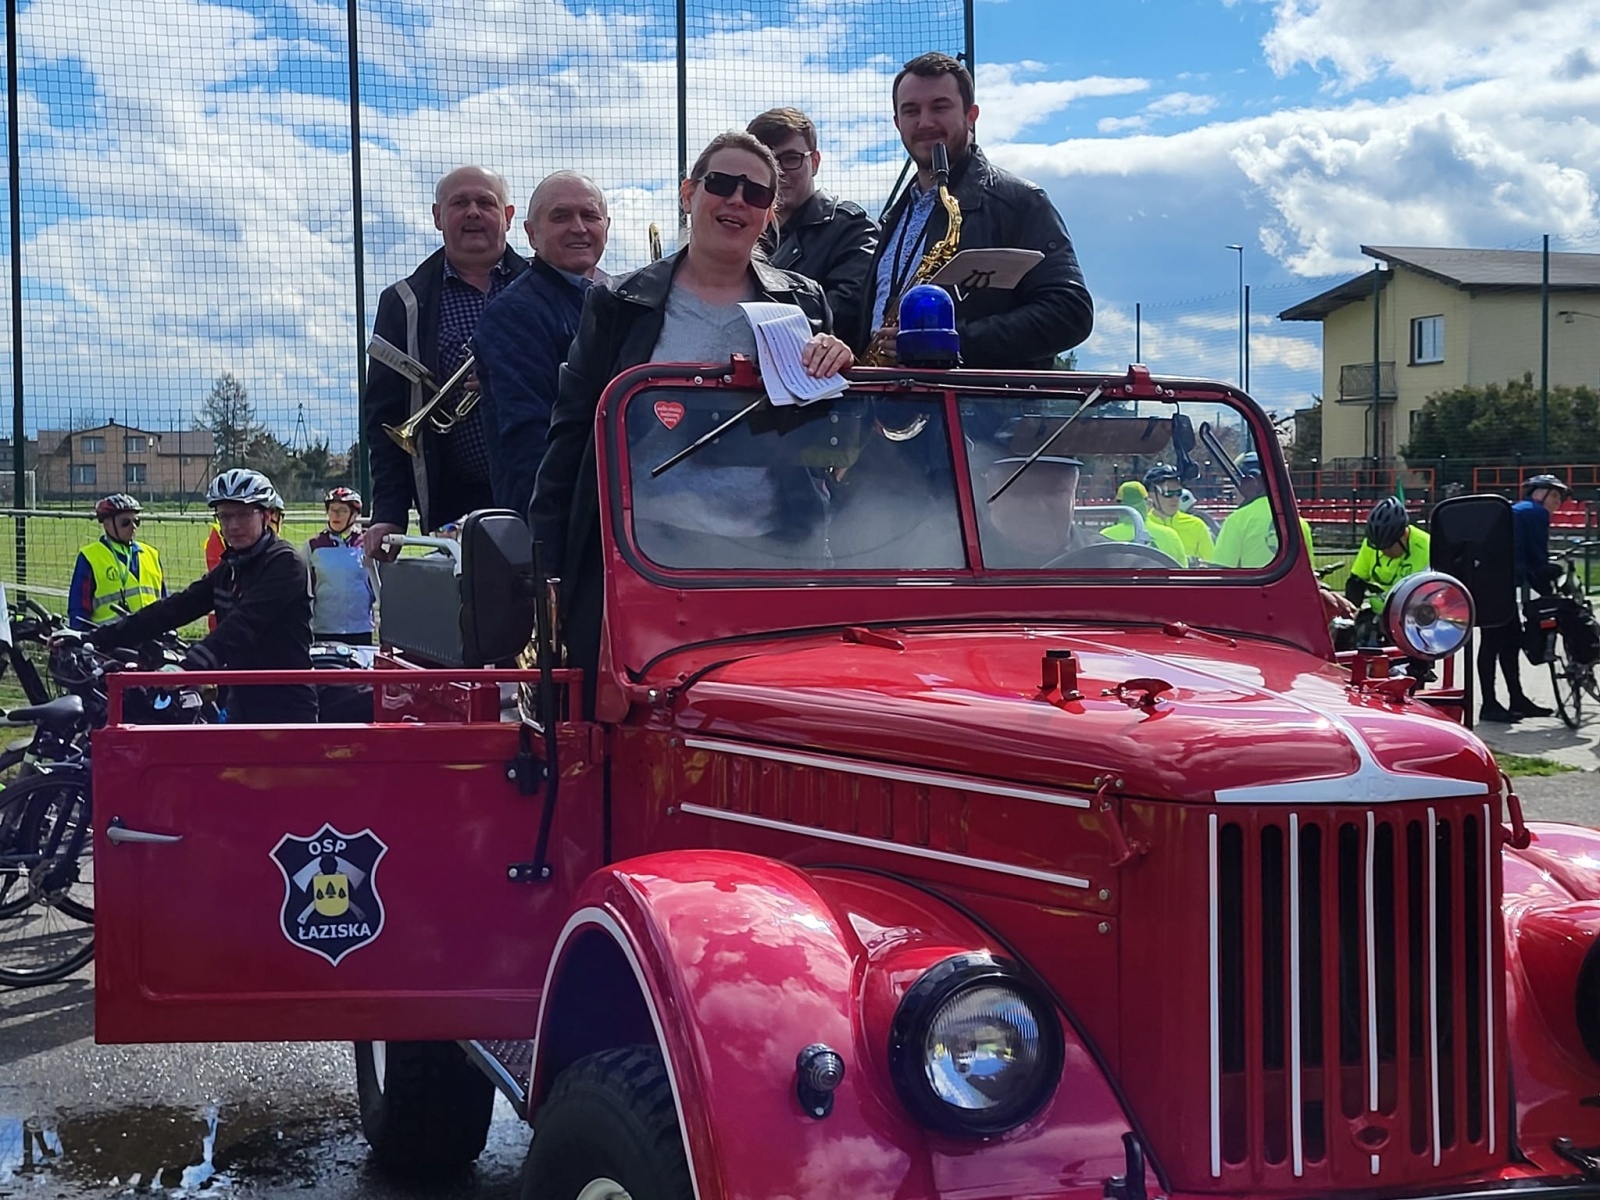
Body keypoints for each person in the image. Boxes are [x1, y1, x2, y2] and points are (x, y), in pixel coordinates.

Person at [530, 131, 851, 711]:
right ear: (688, 193)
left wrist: (833, 359)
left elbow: (827, 441)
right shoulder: (619, 303)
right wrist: (546, 569)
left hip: (771, 560)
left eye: (755, 193)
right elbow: (570, 437)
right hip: (648, 566)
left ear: (769, 214)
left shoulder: (804, 303)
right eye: (721, 185)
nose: (736, 201)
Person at [857, 52, 1093, 368]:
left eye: (940, 107)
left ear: (971, 115)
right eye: (911, 111)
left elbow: (1070, 312)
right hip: (885, 406)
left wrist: (949, 342)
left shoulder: (1021, 202)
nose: (925, 122)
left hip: (983, 414)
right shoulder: (893, 219)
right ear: (897, 122)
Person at [363, 166, 529, 560]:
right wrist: (388, 513)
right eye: (460, 203)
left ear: (507, 216)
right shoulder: (403, 303)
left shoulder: (543, 286)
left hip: (540, 493)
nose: (473, 212)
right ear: (438, 217)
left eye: (485, 203)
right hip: (457, 507)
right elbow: (382, 417)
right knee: (479, 618)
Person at [88, 469, 316, 725]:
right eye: (225, 516)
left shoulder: (285, 563)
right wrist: (96, 638)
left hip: (285, 706)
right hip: (241, 698)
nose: (232, 525)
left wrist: (188, 666)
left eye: (243, 514)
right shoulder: (233, 566)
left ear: (266, 515)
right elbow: (176, 607)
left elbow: (243, 625)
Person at [474, 172, 611, 522]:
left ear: (606, 226)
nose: (578, 227)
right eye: (561, 216)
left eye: (590, 215)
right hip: (560, 523)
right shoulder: (514, 314)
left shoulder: (616, 300)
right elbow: (529, 441)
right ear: (531, 234)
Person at [746, 107, 878, 339]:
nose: (778, 173)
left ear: (814, 162)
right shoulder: (747, 234)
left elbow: (844, 317)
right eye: (766, 161)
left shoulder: (852, 230)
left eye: (790, 159)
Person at [1478, 474, 1567, 722]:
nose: (1558, 503)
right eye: (1555, 496)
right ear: (1538, 494)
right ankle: (1490, 704)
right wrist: (1549, 585)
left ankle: (1516, 699)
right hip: (1498, 584)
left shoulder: (1517, 510)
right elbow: (1538, 558)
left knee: (1509, 639)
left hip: (1489, 583)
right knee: (1495, 642)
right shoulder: (1535, 512)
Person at [68, 494, 168, 629]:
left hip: (151, 641)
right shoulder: (89, 557)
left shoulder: (152, 554)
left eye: (136, 521)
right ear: (107, 524)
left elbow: (164, 602)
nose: (133, 527)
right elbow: (78, 610)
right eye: (125, 522)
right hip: (109, 643)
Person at [1209, 453, 1315, 569]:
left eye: (1238, 482)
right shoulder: (1299, 524)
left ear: (1250, 482)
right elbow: (1307, 572)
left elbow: (1221, 571)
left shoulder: (1238, 520)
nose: (1234, 490)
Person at [307, 487, 375, 645]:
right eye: (332, 510)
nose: (336, 515)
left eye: (343, 511)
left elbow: (378, 587)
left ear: (354, 515)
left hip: (360, 628)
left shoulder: (366, 544)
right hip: (324, 629)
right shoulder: (313, 545)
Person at [1344, 497, 1431, 619]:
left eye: (1387, 546)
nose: (1383, 552)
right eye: (1379, 547)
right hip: (1379, 615)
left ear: (1404, 534)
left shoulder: (1428, 548)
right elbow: (1356, 582)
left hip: (1411, 617)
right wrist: (1350, 613)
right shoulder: (1372, 543)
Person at [1100, 480, 1188, 565]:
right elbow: (1182, 572)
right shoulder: (1170, 536)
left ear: (1118, 507)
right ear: (1148, 504)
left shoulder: (1104, 537)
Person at [1145, 465, 1215, 563]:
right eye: (1168, 493)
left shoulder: (1197, 525)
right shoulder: (1142, 527)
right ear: (1150, 495)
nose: (1175, 499)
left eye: (1178, 493)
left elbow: (1211, 565)